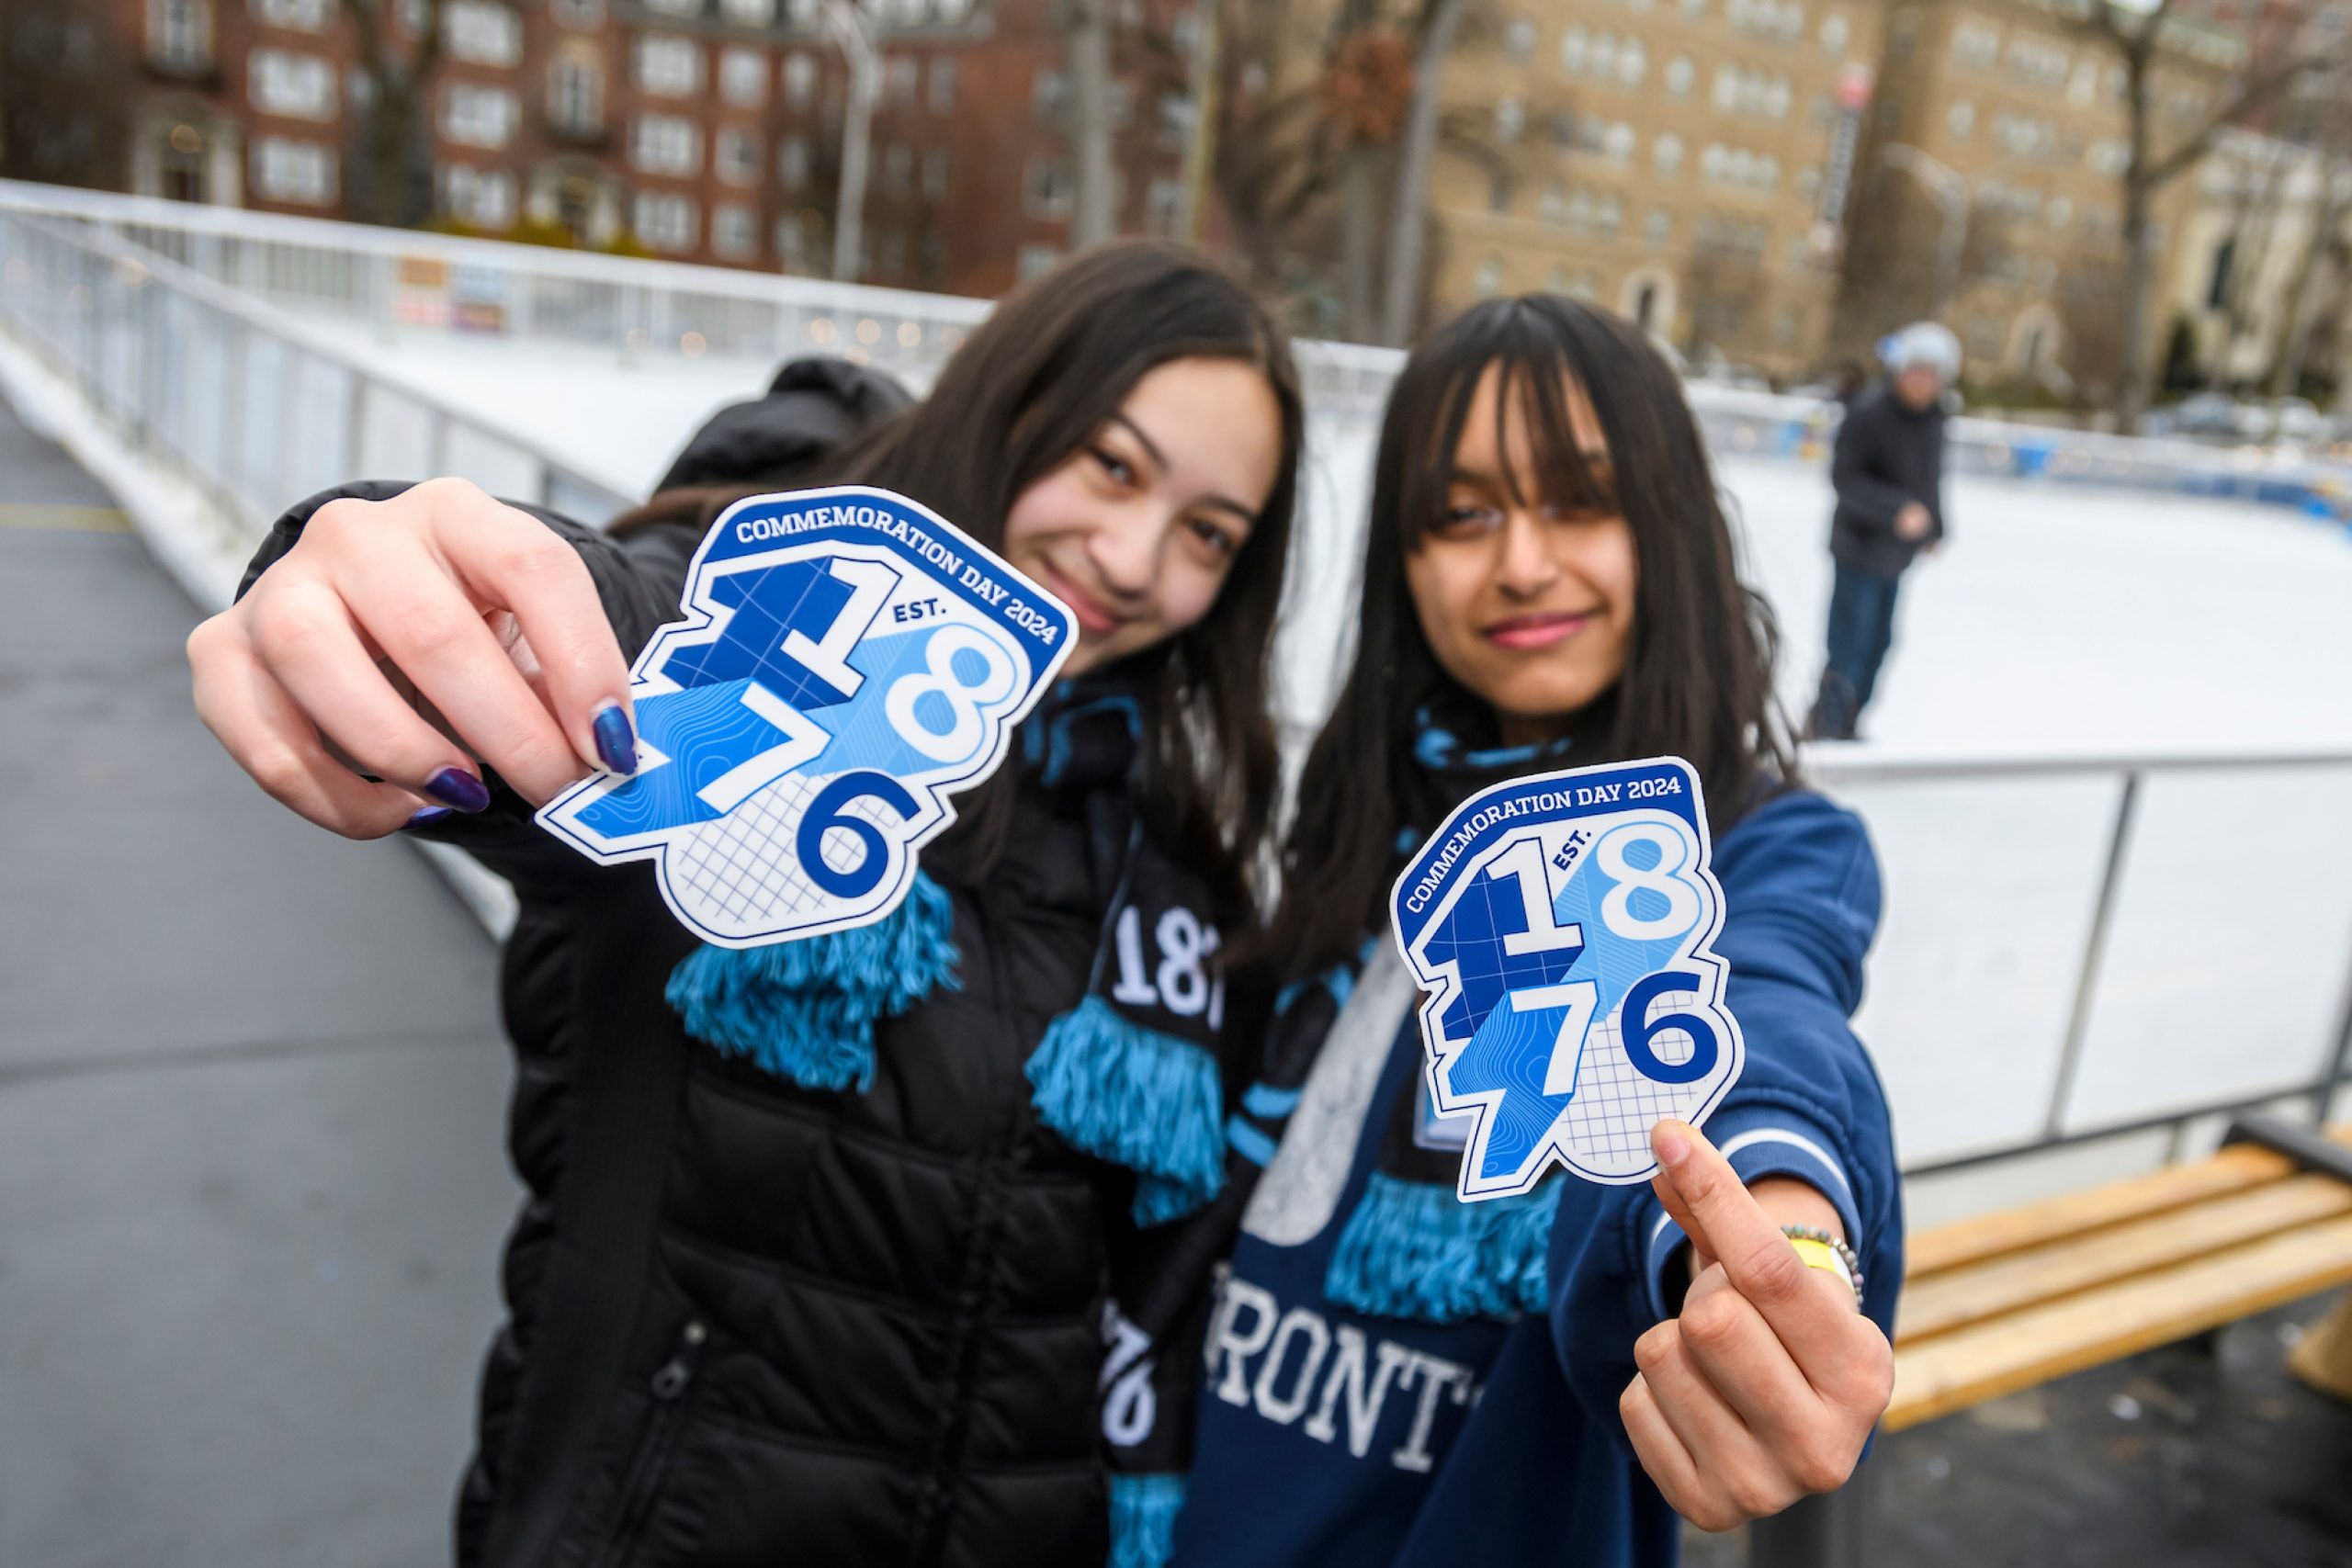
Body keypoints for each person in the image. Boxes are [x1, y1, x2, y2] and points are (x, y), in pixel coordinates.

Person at [186, 243, 1306, 1568]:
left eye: (1209, 535)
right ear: (1012, 404)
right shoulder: (782, 652)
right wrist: (392, 584)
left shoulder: (1169, 846)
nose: (1131, 560)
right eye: (1112, 464)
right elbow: (613, 640)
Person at [1165, 294, 1899, 1567]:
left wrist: (1766, 1235)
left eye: (1579, 500)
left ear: (1664, 527)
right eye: (1461, 514)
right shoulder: (1358, 824)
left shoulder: (1751, 847)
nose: (1519, 562)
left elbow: (1766, 1014)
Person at [1804, 321, 1959, 741]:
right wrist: (1896, 510)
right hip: (1857, 548)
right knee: (1848, 645)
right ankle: (1826, 726)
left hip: (1896, 555)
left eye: (1933, 375)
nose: (1924, 383)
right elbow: (1845, 479)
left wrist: (1936, 526)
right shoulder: (1869, 413)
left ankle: (1851, 723)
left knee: (1879, 645)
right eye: (1917, 371)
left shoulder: (1934, 420)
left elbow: (1929, 480)